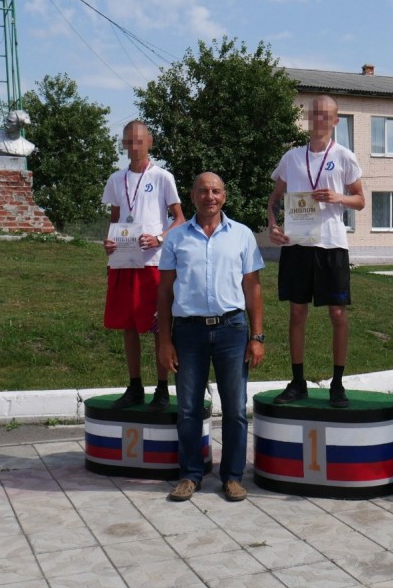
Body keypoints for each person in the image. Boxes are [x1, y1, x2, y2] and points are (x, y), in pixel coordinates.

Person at [157, 172, 266, 503]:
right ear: (192, 196)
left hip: (232, 330)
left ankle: (232, 477)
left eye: (216, 191)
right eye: (203, 191)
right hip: (188, 332)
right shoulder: (176, 238)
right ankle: (190, 475)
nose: (210, 197)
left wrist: (257, 336)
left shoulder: (242, 235)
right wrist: (165, 341)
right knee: (189, 408)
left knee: (235, 409)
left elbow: (252, 287)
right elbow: (164, 292)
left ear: (224, 196)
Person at [266, 95, 365, 408]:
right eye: (315, 114)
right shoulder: (292, 157)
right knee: (297, 312)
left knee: (337, 313)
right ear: (308, 118)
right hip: (297, 244)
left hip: (331, 245)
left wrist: (338, 197)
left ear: (336, 121)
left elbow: (360, 200)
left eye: (326, 115)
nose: (319, 119)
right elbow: (274, 199)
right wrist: (273, 225)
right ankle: (298, 382)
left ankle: (337, 383)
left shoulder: (345, 156)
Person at [102, 121, 185, 409]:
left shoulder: (162, 177)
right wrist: (108, 242)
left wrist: (159, 238)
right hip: (124, 261)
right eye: (129, 141)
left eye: (140, 140)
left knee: (159, 325)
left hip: (153, 263)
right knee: (128, 325)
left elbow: (180, 219)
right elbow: (115, 220)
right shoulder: (116, 179)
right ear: (123, 144)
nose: (134, 146)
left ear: (149, 142)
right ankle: (135, 385)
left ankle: (162, 389)